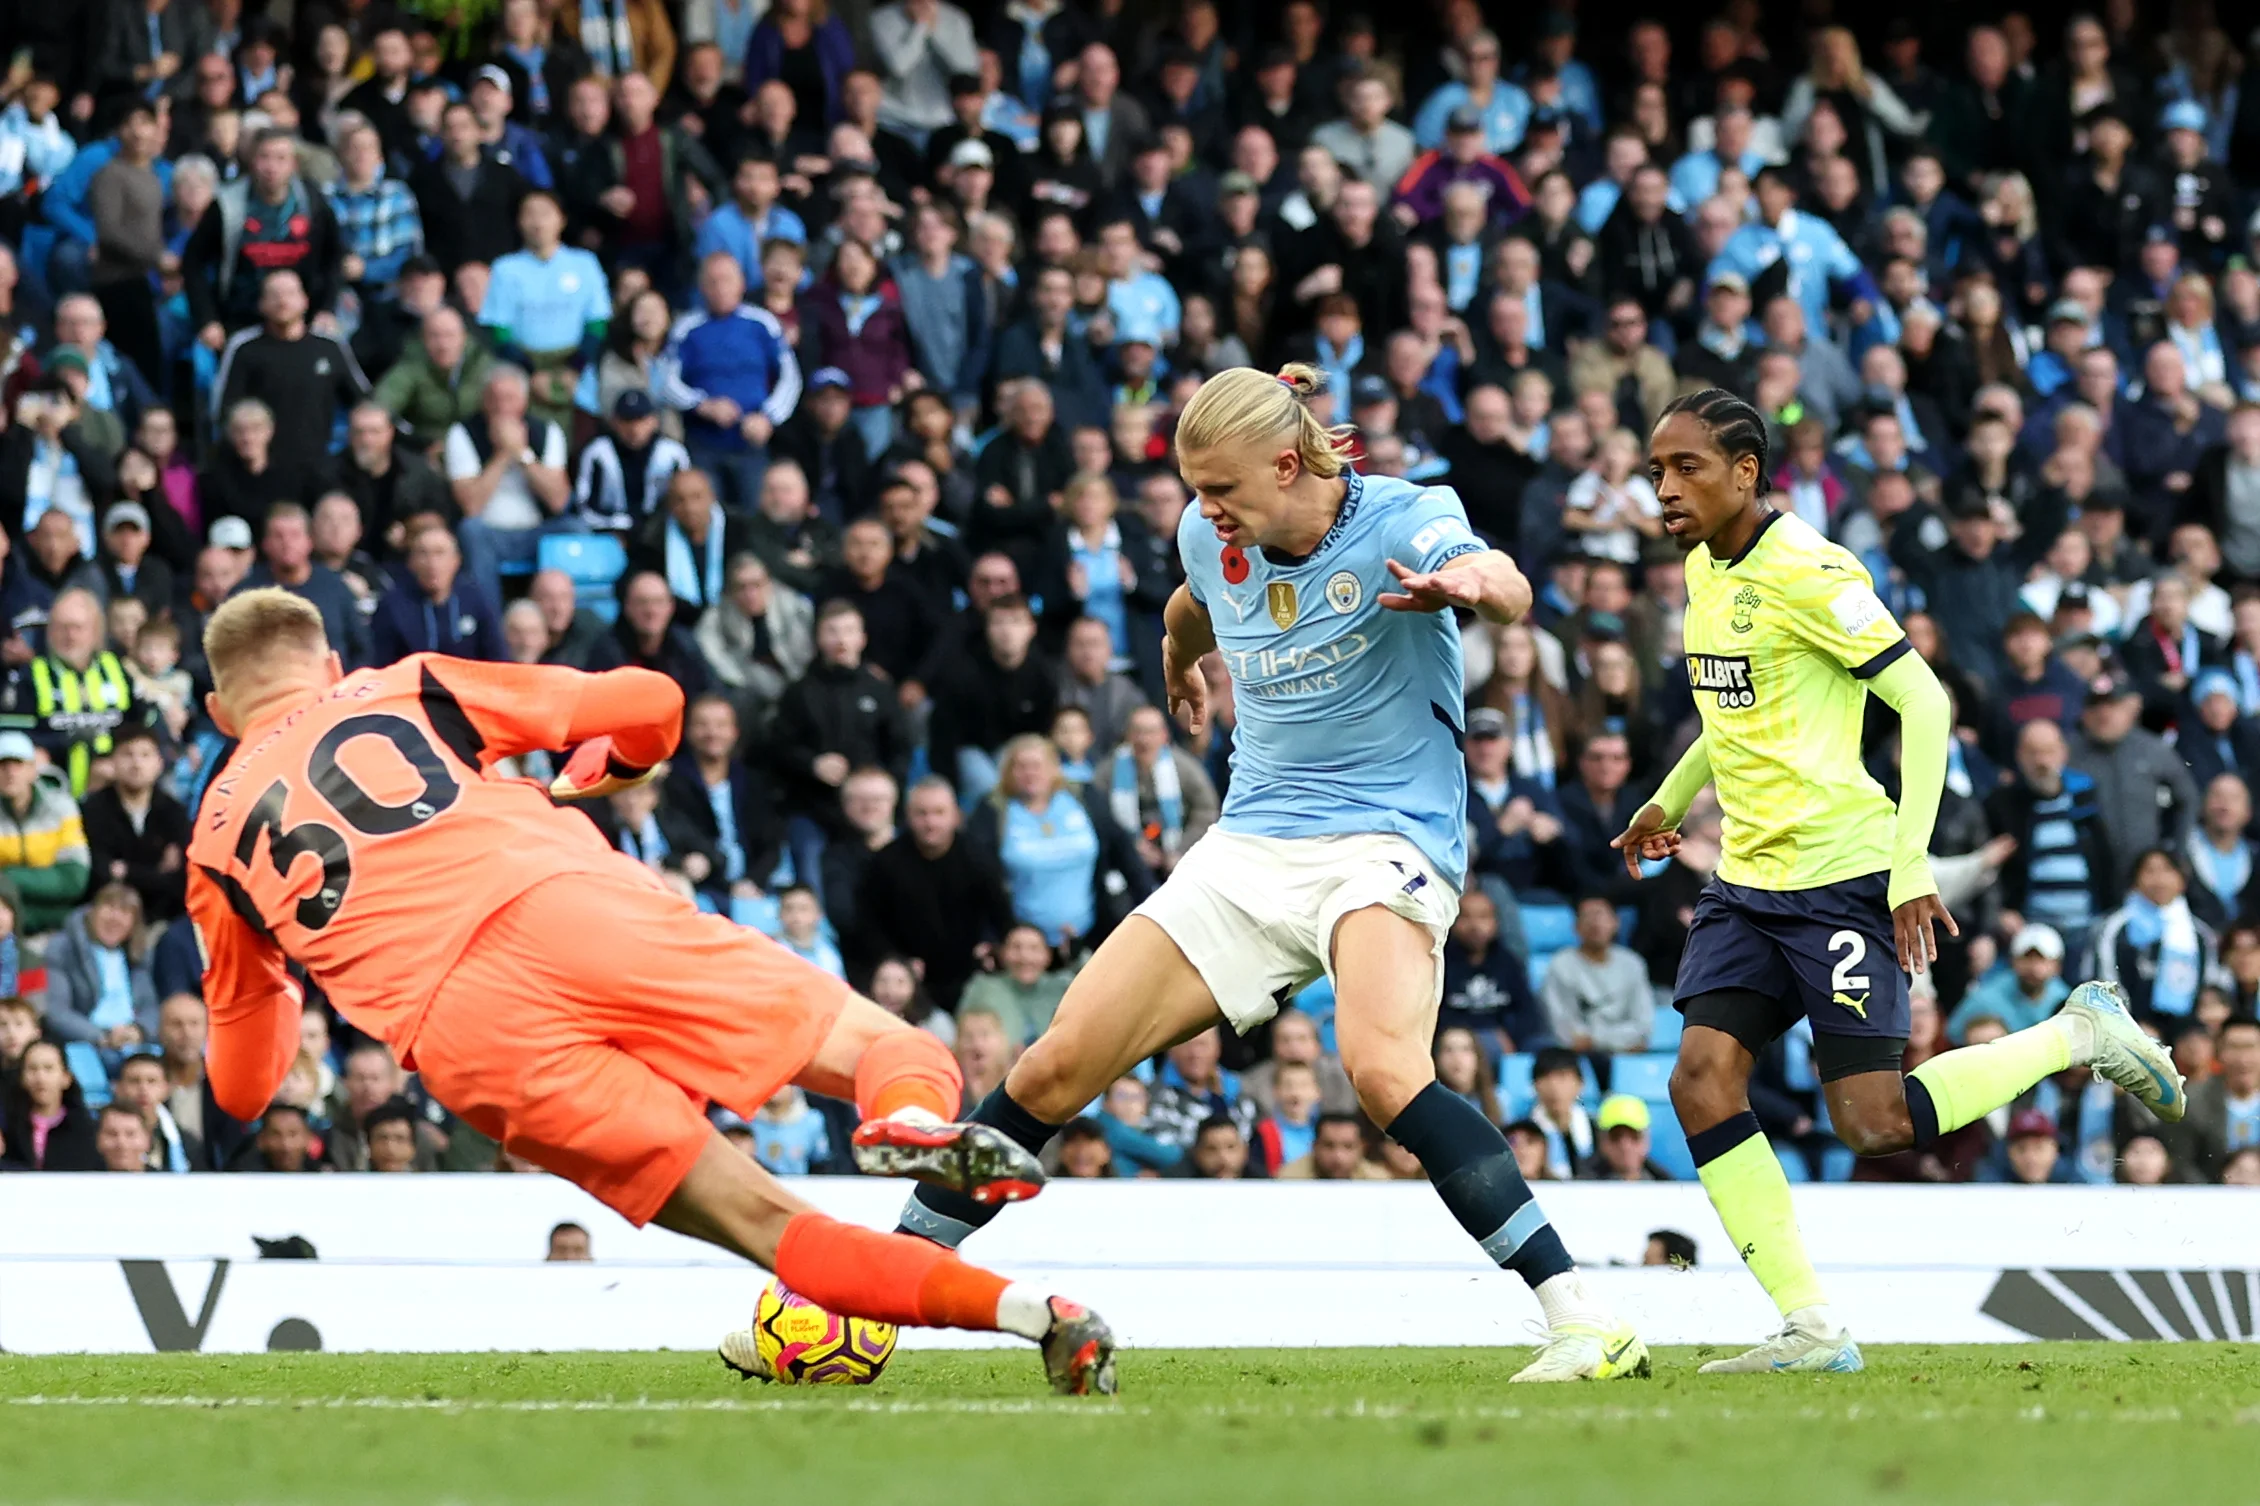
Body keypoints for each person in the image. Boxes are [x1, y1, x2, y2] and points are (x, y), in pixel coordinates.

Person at [894, 364, 1644, 1381]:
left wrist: (1477, 588)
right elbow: (1192, 604)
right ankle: (873, 1289)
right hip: (1251, 844)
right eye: (1196, 492)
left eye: (1223, 490)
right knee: (1052, 1065)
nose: (1205, 512)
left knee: (1383, 1074)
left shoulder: (1401, 521)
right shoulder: (1213, 536)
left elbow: (1501, 578)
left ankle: (1581, 1315)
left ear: (1287, 464)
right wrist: (1174, 659)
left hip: (1386, 839)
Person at [186, 589, 1115, 1392]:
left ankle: (1038, 1313)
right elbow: (653, 700)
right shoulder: (399, 684)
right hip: (569, 908)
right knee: (897, 1051)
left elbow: (243, 1087)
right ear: (332, 662)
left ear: (222, 713)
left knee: (771, 1227)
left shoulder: (216, 841)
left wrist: (283, 983)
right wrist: (616, 765)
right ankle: (909, 1119)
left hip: (463, 1028)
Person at [1612, 388, 2184, 1375]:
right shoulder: (1707, 570)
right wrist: (1668, 799)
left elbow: (1925, 703)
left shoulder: (1815, 572)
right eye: (1655, 470)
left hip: (1840, 875)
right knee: (1700, 1080)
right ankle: (1811, 1326)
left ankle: (2077, 1031)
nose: (1663, 488)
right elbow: (1732, 715)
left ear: (1747, 472)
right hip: (1747, 879)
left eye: (1685, 467)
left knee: (1871, 1122)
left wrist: (1910, 864)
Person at [80, 722, 190, 923]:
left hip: (163, 918)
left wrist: (125, 871)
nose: (136, 764)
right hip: (106, 915)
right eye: (127, 754)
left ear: (159, 763)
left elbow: (179, 882)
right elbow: (99, 873)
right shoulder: (92, 810)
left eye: (145, 755)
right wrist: (155, 873)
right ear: (113, 761)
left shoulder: (174, 812)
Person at [1, 1039, 103, 1171]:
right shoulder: (8, 1126)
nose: (40, 1078)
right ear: (22, 1078)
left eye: (48, 1068)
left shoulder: (86, 1129)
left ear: (66, 1077)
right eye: (32, 1069)